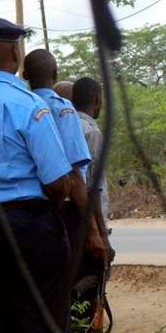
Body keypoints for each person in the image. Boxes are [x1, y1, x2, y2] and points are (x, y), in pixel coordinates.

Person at [0, 17, 73, 333]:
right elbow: (57, 182)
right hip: (28, 226)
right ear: (13, 51)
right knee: (43, 321)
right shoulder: (28, 104)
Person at [23, 49, 107, 264]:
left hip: (24, 213)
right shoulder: (63, 109)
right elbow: (78, 176)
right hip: (66, 209)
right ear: (55, 72)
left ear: (25, 74)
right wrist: (95, 232)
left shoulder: (21, 104)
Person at [72, 77, 110, 231]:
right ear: (96, 98)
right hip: (88, 221)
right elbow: (93, 187)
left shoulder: (64, 124)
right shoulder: (91, 132)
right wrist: (100, 231)